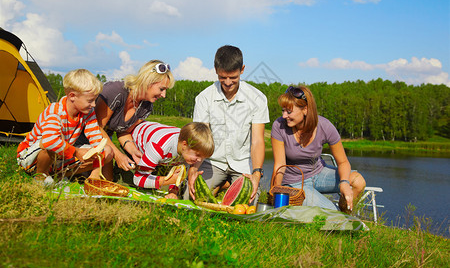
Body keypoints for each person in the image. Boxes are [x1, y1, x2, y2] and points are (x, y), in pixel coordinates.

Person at [187, 45, 270, 204]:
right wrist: (193, 169)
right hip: (212, 162)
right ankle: (222, 184)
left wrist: (256, 174)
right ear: (216, 69)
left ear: (242, 69)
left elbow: (258, 141)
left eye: (233, 77)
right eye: (222, 77)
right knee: (190, 197)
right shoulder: (204, 98)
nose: (227, 82)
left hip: (243, 163)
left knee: (248, 202)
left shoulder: (257, 98)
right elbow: (200, 139)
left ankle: (225, 185)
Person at [270, 85, 366, 212]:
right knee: (331, 211)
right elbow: (279, 165)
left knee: (358, 181)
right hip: (294, 183)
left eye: (289, 111)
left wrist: (344, 183)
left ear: (305, 109)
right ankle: (338, 218)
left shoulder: (325, 126)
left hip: (319, 174)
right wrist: (275, 194)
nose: (284, 116)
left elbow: (343, 162)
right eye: (283, 110)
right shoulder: (279, 126)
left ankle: (346, 213)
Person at [17, 69, 114, 184]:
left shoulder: (88, 112)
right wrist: (77, 152)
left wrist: (96, 161)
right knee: (52, 142)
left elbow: (96, 138)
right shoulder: (54, 111)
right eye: (90, 100)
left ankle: (59, 176)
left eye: (95, 100)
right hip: (30, 159)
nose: (93, 105)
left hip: (60, 157)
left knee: (107, 150)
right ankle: (40, 177)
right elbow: (49, 141)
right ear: (72, 96)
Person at [92, 60, 175, 176]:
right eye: (162, 89)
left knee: (109, 179)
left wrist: (133, 151)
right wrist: (118, 155)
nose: (164, 95)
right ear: (148, 82)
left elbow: (123, 132)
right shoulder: (115, 92)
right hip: (86, 135)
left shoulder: (146, 106)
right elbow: (96, 128)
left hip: (105, 141)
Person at [131, 121, 214, 199]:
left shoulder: (186, 150)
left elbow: (178, 175)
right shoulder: (159, 147)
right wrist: (167, 180)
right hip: (134, 139)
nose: (199, 160)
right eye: (198, 155)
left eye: (202, 157)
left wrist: (173, 192)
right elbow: (138, 179)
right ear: (184, 145)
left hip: (163, 155)